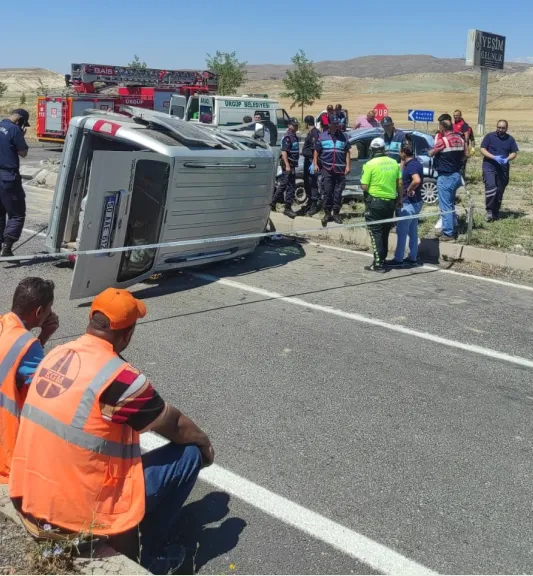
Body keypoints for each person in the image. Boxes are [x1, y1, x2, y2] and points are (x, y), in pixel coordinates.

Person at [9, 287, 214, 574]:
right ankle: (149, 556)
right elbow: (173, 423)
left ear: (92, 320)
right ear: (127, 334)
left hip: (27, 497)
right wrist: (205, 446)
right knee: (189, 455)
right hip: (76, 516)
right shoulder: (120, 378)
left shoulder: (57, 354)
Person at [0, 277, 57, 484]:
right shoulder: (28, 344)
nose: (51, 314)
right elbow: (44, 394)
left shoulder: (3, 323)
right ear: (39, 312)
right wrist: (45, 335)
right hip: (5, 448)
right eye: (49, 309)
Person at [360, 138, 402, 272]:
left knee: (375, 232)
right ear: (384, 149)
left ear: (372, 149)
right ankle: (382, 260)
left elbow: (364, 186)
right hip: (390, 202)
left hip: (375, 203)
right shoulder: (394, 163)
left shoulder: (369, 164)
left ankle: (378, 263)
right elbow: (399, 183)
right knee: (385, 232)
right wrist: (399, 199)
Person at [386, 143, 424, 267]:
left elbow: (416, 180)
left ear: (403, 152)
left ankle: (398, 258)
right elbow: (403, 173)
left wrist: (408, 190)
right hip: (417, 202)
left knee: (402, 231)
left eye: (399, 152)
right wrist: (402, 163)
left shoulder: (411, 166)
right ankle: (412, 256)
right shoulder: (415, 162)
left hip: (408, 203)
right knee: (413, 231)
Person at [428, 119, 467, 240]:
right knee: (450, 204)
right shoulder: (461, 139)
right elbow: (466, 155)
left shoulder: (443, 141)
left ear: (442, 128)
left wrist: (429, 151)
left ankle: (448, 233)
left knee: (445, 206)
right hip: (456, 175)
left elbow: (431, 153)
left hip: (445, 176)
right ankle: (451, 226)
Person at [0, 109, 30, 258]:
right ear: (20, 120)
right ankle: (7, 247)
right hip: (8, 178)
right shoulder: (15, 129)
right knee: (17, 214)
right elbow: (23, 152)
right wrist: (21, 136)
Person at [313, 114, 351, 227]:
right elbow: (316, 151)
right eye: (333, 124)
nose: (336, 126)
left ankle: (336, 214)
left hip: (340, 170)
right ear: (329, 124)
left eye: (337, 124)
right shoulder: (322, 136)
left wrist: (348, 166)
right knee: (327, 192)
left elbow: (347, 152)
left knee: (338, 194)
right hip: (327, 169)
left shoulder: (344, 136)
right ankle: (327, 213)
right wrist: (315, 164)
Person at [480, 120, 519, 221]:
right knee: (491, 186)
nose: (500, 130)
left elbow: (514, 152)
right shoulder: (489, 136)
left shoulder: (510, 139)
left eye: (503, 128)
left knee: (499, 190)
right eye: (499, 127)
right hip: (489, 165)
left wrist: (507, 159)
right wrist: (493, 157)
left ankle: (495, 211)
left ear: (506, 128)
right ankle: (489, 211)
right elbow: (483, 149)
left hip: (503, 168)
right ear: (496, 127)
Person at [271, 117, 299, 219]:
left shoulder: (294, 136)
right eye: (294, 125)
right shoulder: (287, 137)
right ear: (289, 126)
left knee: (285, 185)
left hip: (292, 165)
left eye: (296, 125)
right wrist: (287, 165)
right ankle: (286, 208)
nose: (296, 126)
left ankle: (273, 203)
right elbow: (284, 152)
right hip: (288, 166)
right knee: (288, 186)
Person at [301, 115, 321, 216]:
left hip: (311, 162)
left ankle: (314, 204)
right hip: (307, 161)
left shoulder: (315, 133)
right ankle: (310, 202)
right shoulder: (311, 132)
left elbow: (316, 149)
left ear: (306, 123)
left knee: (312, 183)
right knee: (307, 183)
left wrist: (314, 162)